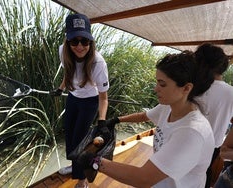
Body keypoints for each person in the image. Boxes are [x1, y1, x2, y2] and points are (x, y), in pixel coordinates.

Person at [77, 51, 215, 187]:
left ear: (186, 88)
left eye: (162, 84)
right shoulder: (168, 107)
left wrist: (93, 161)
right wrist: (116, 120)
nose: (156, 89)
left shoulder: (191, 132)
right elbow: (143, 116)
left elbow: (143, 179)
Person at [51, 13, 110, 188]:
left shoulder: (98, 63)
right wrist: (60, 88)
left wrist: (102, 121)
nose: (79, 46)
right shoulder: (63, 51)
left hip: (90, 101)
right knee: (69, 133)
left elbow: (103, 97)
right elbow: (68, 72)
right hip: (73, 97)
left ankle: (82, 178)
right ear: (67, 41)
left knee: (80, 140)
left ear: (90, 42)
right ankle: (74, 166)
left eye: (84, 41)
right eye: (74, 41)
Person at [193, 43, 233, 188]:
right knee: (204, 173)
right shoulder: (231, 92)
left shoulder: (193, 86)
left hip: (189, 139)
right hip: (213, 146)